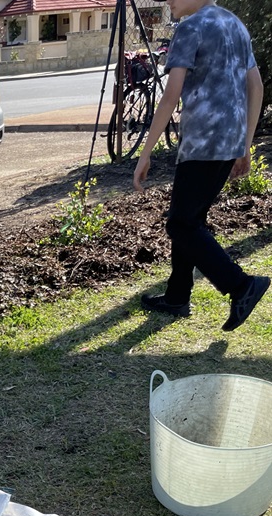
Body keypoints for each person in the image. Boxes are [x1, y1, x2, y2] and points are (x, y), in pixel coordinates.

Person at [134, 0, 268, 331]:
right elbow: (256, 86)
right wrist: (244, 144)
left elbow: (171, 95)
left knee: (181, 225)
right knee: (191, 219)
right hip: (228, 142)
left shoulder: (191, 28)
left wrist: (145, 152)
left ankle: (241, 286)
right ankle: (178, 295)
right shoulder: (234, 23)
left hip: (204, 143)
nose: (168, 0)